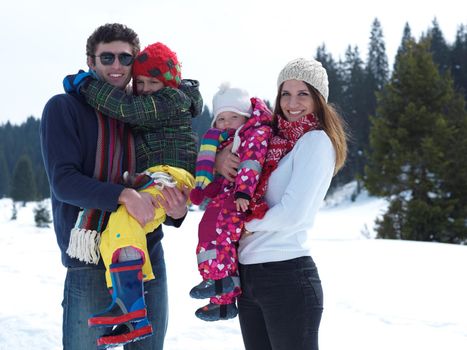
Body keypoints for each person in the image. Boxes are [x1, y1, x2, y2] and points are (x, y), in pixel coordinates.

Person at [41, 23, 189, 350]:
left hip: (145, 249)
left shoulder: (143, 113)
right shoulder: (63, 108)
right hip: (89, 255)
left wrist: (177, 210)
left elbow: (165, 170)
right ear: (91, 62)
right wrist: (123, 195)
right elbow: (64, 182)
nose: (117, 65)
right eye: (107, 57)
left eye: (125, 58)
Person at [217, 58, 347, 349]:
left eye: (303, 94)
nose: (292, 103)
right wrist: (219, 159)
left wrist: (244, 225)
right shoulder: (273, 143)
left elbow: (292, 214)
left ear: (319, 99)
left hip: (286, 275)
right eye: (285, 94)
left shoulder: (315, 142)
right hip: (249, 274)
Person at [188, 83, 272, 321]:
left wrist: (243, 193)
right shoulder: (223, 145)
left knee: (219, 233)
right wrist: (206, 189)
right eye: (221, 119)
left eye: (233, 117)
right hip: (227, 197)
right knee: (208, 232)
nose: (226, 123)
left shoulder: (252, 135)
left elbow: (251, 165)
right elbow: (221, 178)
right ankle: (222, 301)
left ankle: (220, 280)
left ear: (245, 118)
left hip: (240, 200)